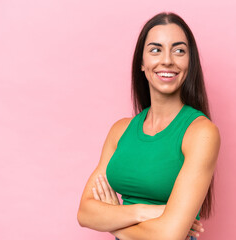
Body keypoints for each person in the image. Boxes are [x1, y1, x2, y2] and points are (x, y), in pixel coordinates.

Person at [77, 12, 221, 240]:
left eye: (179, 50)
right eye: (156, 49)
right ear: (142, 63)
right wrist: (146, 212)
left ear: (189, 62)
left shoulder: (201, 132)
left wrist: (112, 221)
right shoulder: (120, 130)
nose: (167, 60)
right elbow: (85, 213)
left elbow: (168, 236)